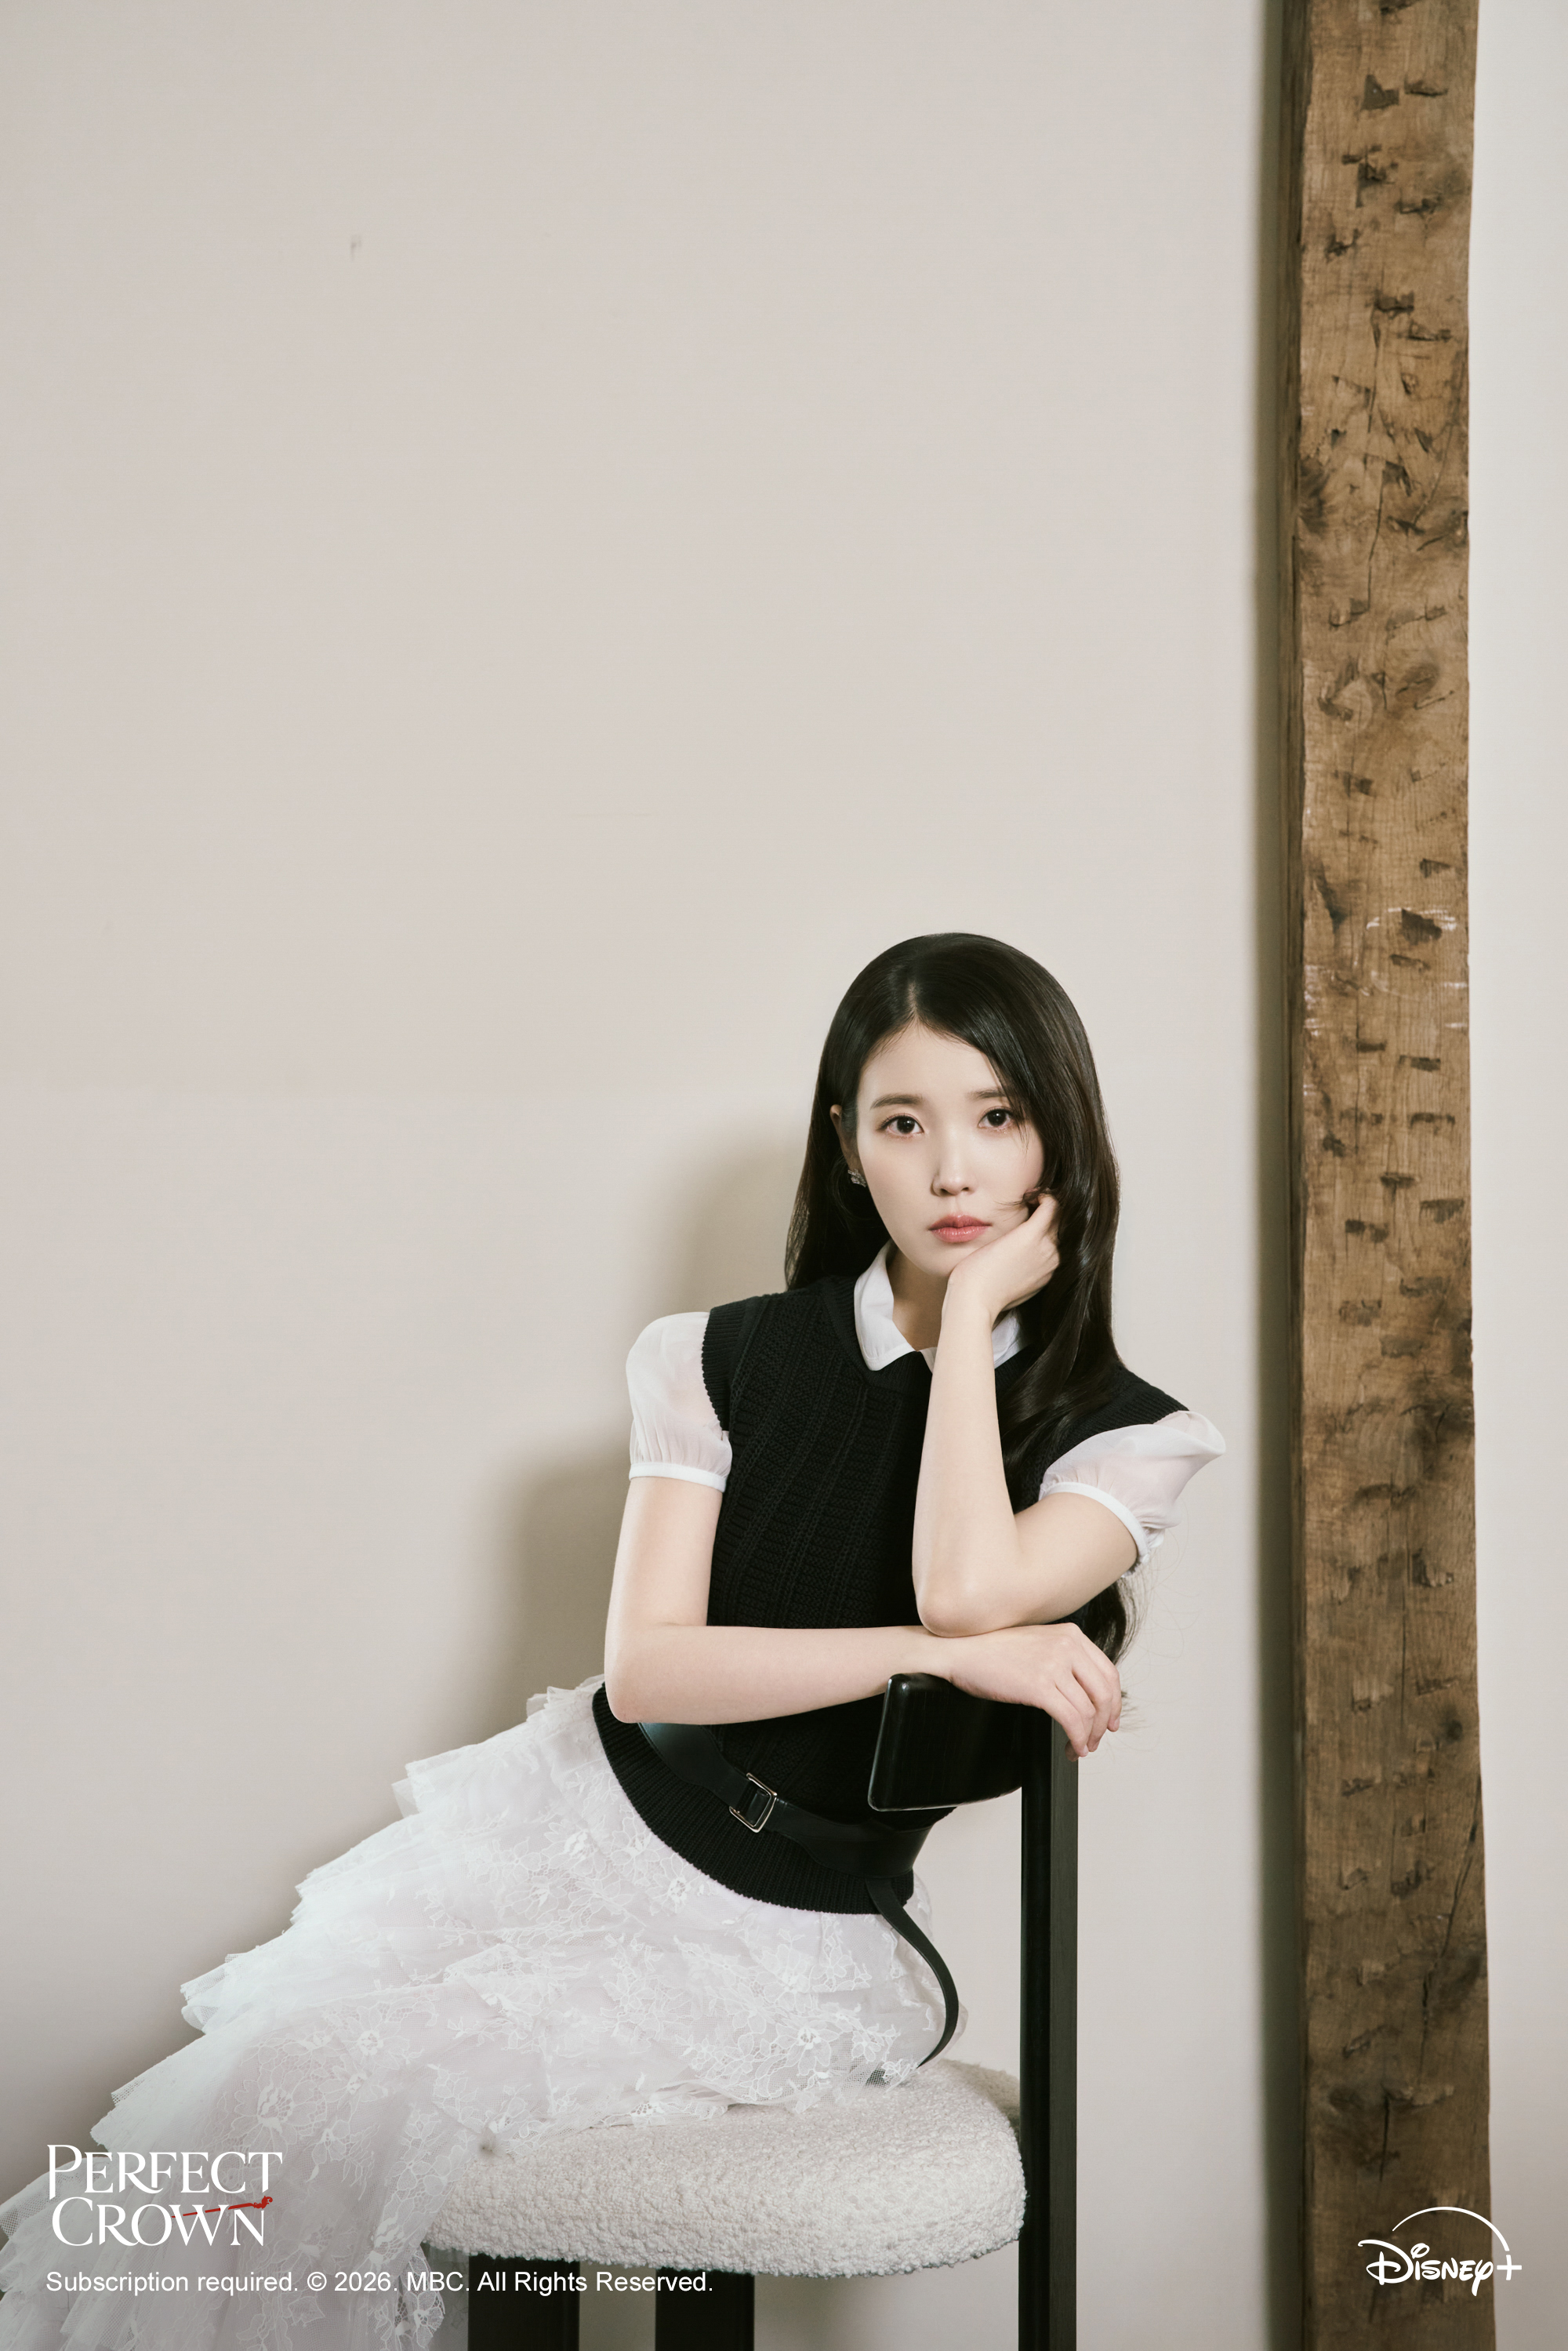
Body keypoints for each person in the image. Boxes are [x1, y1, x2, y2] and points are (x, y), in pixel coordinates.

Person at [0, 933, 1222, 2349]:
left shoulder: (1132, 1437)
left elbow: (969, 1586)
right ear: (847, 1148)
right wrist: (940, 1660)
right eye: (904, 1124)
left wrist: (964, 1338)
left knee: (352, 2100)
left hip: (787, 1931)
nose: (953, 1171)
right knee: (249, 2095)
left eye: (997, 1117)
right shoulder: (707, 1357)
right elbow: (650, 1672)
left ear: (1058, 1137)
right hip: (578, 1823)